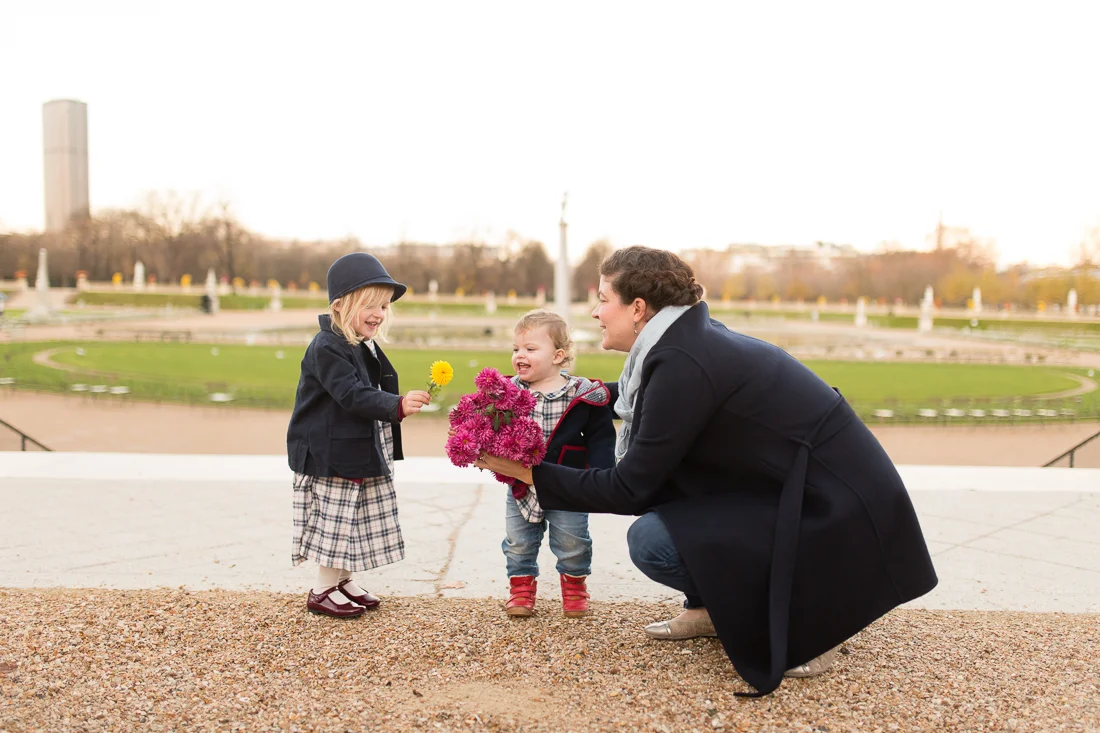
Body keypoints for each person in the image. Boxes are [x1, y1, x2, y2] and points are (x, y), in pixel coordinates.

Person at [477, 246, 937, 696]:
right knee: (676, 491)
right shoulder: (682, 344)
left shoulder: (684, 361)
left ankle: (811, 622)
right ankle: (712, 607)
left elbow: (628, 490)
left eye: (602, 298)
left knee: (652, 541)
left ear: (637, 308)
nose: (595, 312)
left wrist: (527, 471)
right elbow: (635, 404)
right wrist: (540, 397)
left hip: (835, 509)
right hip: (801, 489)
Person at [287, 252, 432, 619]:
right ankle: (322, 589)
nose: (379, 313)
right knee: (335, 518)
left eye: (383, 306)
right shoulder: (328, 346)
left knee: (353, 516)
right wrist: (396, 405)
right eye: (370, 305)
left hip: (352, 447)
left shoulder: (358, 343)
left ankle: (342, 579)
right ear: (340, 306)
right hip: (329, 451)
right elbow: (351, 394)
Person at [500, 309, 616, 618]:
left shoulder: (582, 394)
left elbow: (601, 437)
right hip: (521, 484)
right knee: (519, 540)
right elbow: (490, 430)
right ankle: (521, 588)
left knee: (572, 539)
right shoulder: (508, 393)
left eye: (530, 349)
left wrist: (601, 473)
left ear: (558, 355)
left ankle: (575, 585)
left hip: (569, 483)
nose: (519, 355)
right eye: (516, 349)